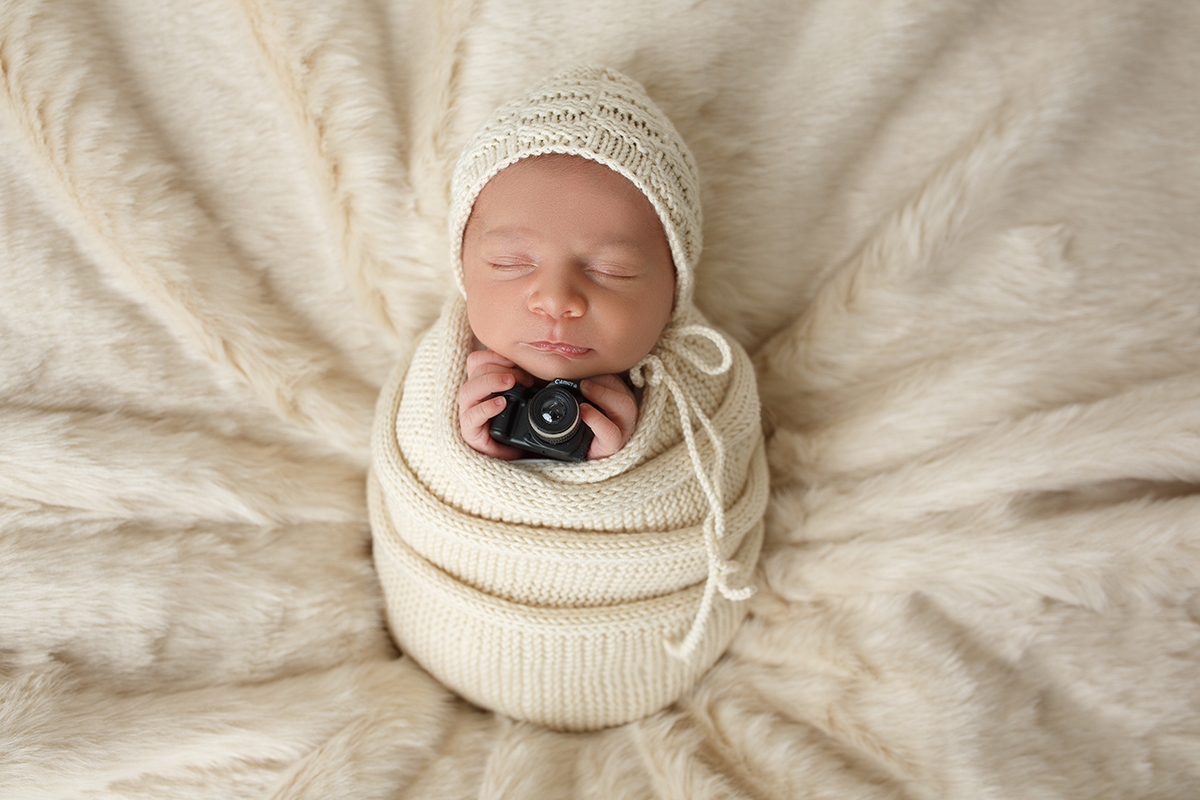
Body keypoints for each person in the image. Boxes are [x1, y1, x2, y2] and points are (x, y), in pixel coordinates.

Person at [369, 65, 768, 731]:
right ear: (462, 268)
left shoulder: (709, 382)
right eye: (510, 264)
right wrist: (472, 448)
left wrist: (630, 464)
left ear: (676, 285)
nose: (555, 299)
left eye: (612, 270)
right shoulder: (439, 372)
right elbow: (421, 471)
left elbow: (709, 486)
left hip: (646, 663)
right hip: (453, 638)